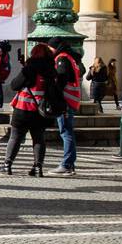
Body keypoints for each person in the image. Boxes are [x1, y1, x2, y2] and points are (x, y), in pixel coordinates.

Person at [0, 42, 59, 176]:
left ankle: (7, 165)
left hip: (24, 108)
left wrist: (25, 69)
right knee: (38, 138)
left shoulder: (30, 68)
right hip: (41, 110)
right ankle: (38, 167)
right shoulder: (51, 70)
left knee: (15, 137)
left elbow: (14, 85)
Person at [49, 37, 82, 176]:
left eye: (50, 48)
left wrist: (54, 93)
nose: (49, 50)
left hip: (65, 100)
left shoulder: (62, 58)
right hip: (71, 99)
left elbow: (61, 78)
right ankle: (70, 164)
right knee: (68, 131)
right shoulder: (70, 57)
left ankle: (67, 164)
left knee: (66, 132)